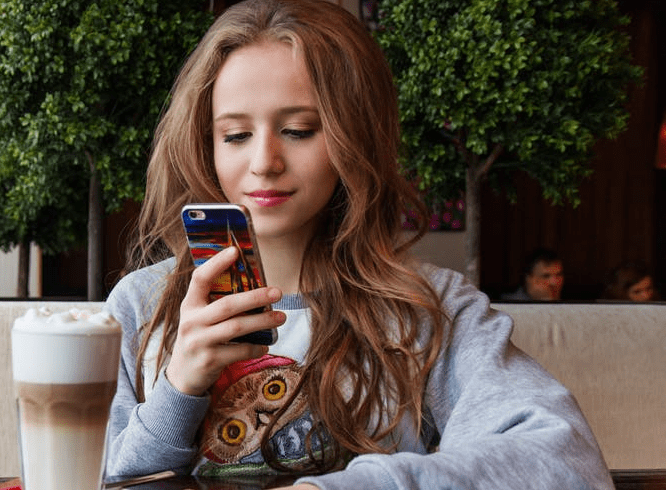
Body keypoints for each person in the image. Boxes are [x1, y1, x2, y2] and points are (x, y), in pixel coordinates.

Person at [103, 1, 613, 488]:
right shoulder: (141, 305)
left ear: (356, 135)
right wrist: (178, 390)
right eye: (235, 135)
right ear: (204, 144)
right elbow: (89, 476)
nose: (264, 161)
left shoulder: (426, 309)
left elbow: (566, 459)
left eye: (299, 130)